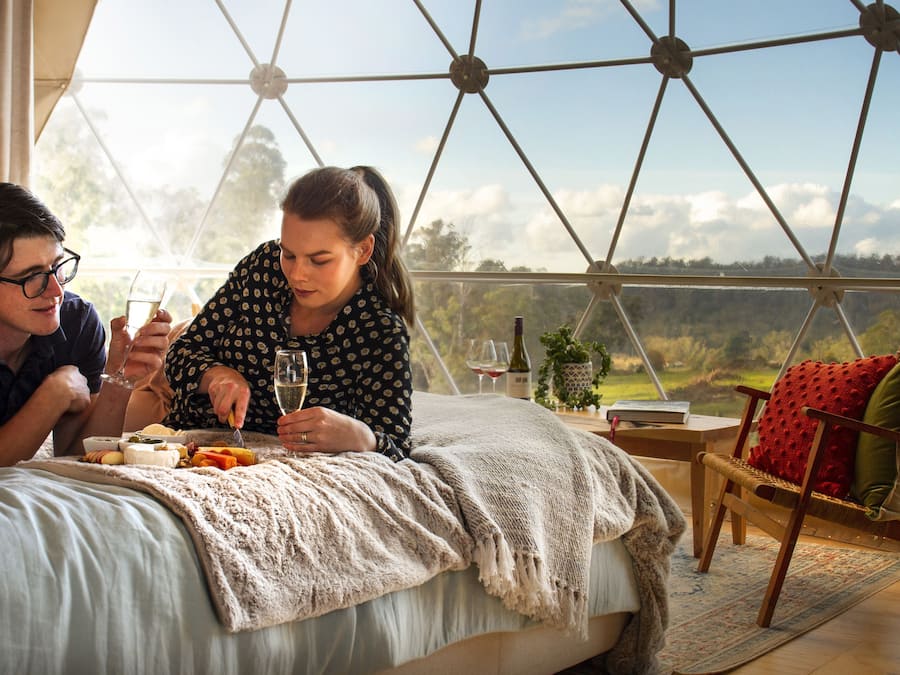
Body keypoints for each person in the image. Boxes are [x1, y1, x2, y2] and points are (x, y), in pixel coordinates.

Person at [165, 166, 415, 461]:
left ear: (362, 250)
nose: (297, 275)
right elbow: (180, 354)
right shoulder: (263, 267)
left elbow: (396, 448)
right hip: (187, 452)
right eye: (289, 254)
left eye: (319, 260)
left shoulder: (380, 331)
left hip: (288, 473)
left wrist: (361, 436)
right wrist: (217, 375)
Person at [0, 182, 172, 465]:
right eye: (32, 276)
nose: (56, 291)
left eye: (57, 267)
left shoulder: (76, 321)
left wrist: (119, 378)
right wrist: (55, 393)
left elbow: (77, 454)